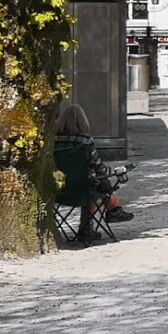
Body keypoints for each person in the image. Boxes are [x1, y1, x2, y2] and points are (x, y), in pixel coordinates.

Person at [54, 102, 134, 238]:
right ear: (82, 121)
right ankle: (108, 213)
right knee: (96, 185)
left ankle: (110, 211)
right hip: (83, 190)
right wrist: (113, 172)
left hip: (59, 191)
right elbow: (98, 167)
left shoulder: (53, 141)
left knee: (91, 183)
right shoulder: (85, 141)